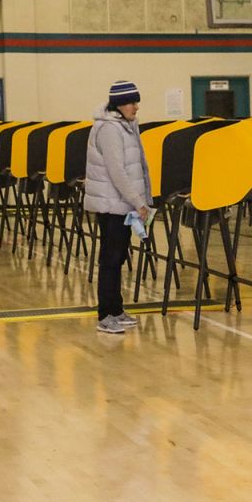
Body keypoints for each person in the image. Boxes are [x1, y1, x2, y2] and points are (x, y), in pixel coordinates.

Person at [84, 80, 153, 334]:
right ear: (119, 104)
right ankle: (105, 315)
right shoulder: (110, 130)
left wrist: (140, 199)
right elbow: (117, 172)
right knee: (110, 259)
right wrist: (139, 201)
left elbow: (138, 166)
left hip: (123, 204)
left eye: (136, 102)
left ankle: (116, 310)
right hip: (112, 204)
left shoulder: (126, 125)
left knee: (119, 256)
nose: (136, 107)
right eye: (132, 102)